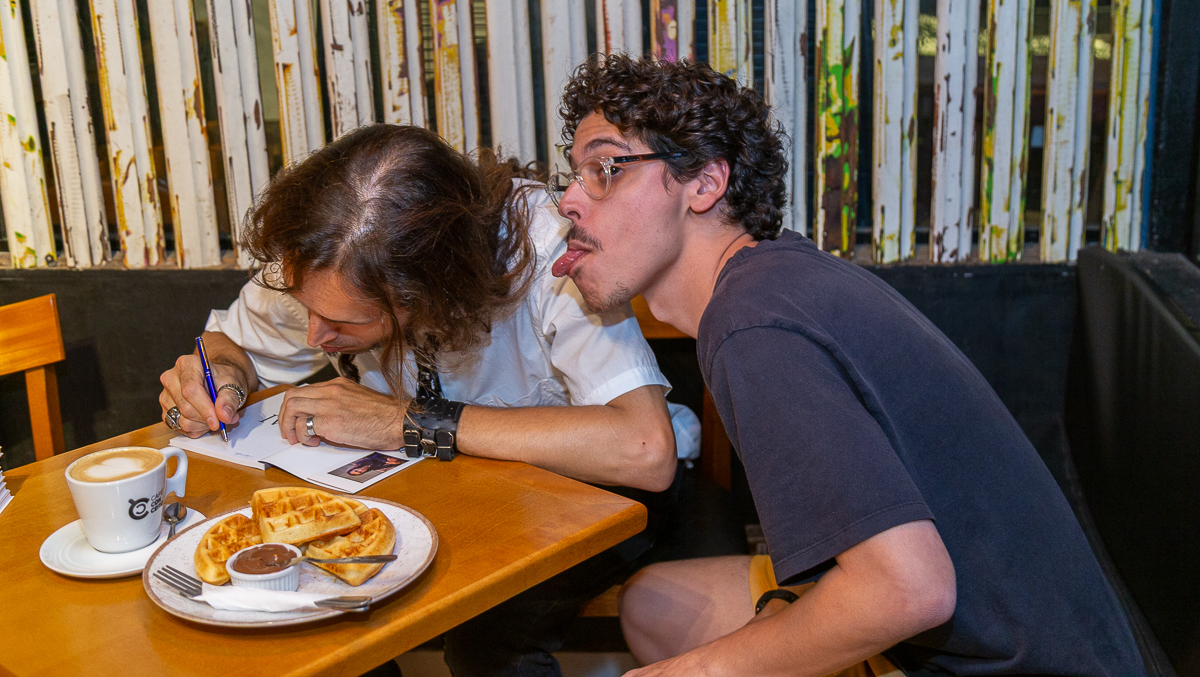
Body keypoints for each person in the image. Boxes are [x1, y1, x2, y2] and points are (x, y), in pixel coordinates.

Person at [549, 54, 1146, 676]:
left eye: (605, 169)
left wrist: (694, 672)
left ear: (704, 183)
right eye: (573, 175)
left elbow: (909, 590)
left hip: (1007, 660)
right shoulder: (774, 274)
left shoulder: (752, 325)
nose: (569, 200)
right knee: (653, 606)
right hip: (988, 630)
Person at [158, 123, 699, 677]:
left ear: (435, 293)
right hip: (443, 493)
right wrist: (219, 373)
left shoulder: (551, 244)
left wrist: (409, 422)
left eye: (347, 322)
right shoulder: (331, 254)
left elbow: (643, 449)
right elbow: (233, 343)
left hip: (595, 495)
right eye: (307, 307)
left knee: (484, 643)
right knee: (322, 610)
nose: (315, 336)